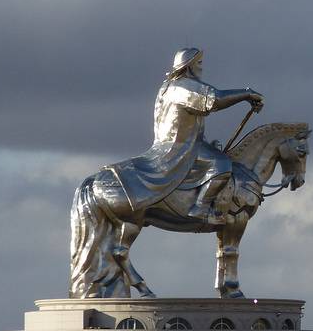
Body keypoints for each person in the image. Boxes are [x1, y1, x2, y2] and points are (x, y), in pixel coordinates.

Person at [105, 48, 263, 225]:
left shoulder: (167, 88)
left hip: (175, 143)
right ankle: (200, 208)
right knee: (222, 164)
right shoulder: (184, 86)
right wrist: (246, 94)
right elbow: (215, 100)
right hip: (182, 147)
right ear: (188, 66)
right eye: (199, 63)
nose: (201, 68)